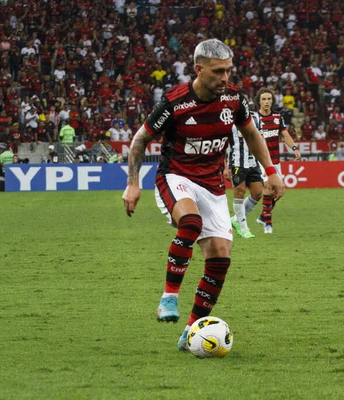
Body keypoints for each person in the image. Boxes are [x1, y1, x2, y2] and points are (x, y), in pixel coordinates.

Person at [121, 39, 284, 351]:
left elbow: (251, 133)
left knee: (221, 257)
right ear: (198, 69)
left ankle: (190, 331)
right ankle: (168, 296)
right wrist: (132, 183)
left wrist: (271, 170)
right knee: (191, 222)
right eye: (218, 71)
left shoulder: (235, 100)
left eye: (228, 71)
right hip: (175, 176)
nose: (225, 77)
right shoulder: (175, 102)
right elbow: (141, 138)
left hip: (211, 185)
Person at [251, 87, 301, 234]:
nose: (266, 102)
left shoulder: (278, 117)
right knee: (267, 187)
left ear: (272, 101)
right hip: (260, 161)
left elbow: (285, 136)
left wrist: (294, 148)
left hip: (275, 161)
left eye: (269, 99)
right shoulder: (254, 118)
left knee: (279, 192)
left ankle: (262, 216)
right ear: (259, 101)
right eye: (264, 99)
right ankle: (268, 224)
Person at [224, 125, 262, 239]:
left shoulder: (255, 118)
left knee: (258, 193)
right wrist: (225, 166)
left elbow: (259, 140)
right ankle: (244, 228)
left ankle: (235, 219)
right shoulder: (229, 121)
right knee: (239, 192)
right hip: (237, 163)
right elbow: (222, 145)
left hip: (253, 163)